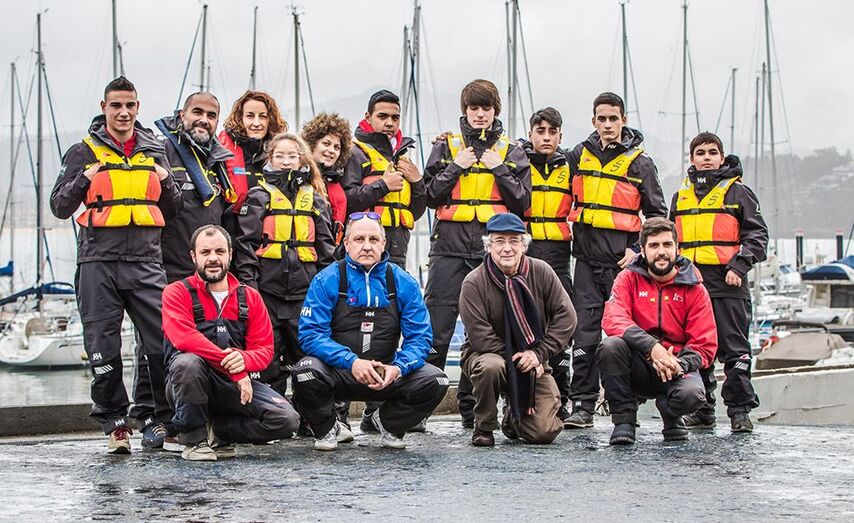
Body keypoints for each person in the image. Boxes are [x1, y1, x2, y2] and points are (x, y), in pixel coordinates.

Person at [49, 76, 182, 453]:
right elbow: (59, 207)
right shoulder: (82, 151)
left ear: (138, 108)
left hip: (146, 261)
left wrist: (166, 180)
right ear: (104, 107)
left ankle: (159, 419)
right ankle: (115, 423)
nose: (124, 113)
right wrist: (84, 179)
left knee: (161, 344)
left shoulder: (156, 151)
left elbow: (174, 208)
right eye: (116, 106)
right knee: (103, 348)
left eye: (130, 105)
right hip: (98, 261)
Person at [424, 78, 531, 428]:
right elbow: (430, 195)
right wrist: (458, 166)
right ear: (465, 111)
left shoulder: (512, 150)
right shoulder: (446, 146)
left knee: (484, 330)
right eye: (474, 108)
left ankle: (472, 408)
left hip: (491, 250)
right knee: (437, 328)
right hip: (449, 247)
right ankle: (422, 404)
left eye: (486, 108)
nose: (480, 114)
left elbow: (522, 201)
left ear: (495, 110)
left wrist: (496, 168)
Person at [292, 213, 449, 450]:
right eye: (359, 239)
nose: (367, 246)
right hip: (340, 371)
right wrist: (351, 362)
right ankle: (326, 428)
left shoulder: (403, 282)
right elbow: (311, 335)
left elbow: (420, 339)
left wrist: (398, 368)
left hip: (385, 373)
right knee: (304, 372)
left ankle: (388, 422)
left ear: (384, 243)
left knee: (436, 380)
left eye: (374, 239)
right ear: (346, 243)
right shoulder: (327, 279)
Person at [563, 92, 667, 429]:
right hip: (586, 262)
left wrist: (637, 251)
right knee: (585, 334)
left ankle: (628, 405)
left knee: (625, 334)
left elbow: (656, 216)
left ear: (623, 120)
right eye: (602, 119)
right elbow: (541, 159)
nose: (608, 125)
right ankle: (582, 404)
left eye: (613, 119)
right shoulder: (578, 155)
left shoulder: (641, 163)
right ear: (594, 121)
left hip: (623, 266)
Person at [161, 225, 300, 461]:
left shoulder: (250, 297)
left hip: (235, 389)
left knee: (287, 420)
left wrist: (244, 358)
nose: (213, 258)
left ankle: (219, 431)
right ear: (193, 256)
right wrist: (235, 370)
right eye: (205, 253)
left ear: (230, 255)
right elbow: (184, 338)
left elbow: (265, 351)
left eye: (219, 251)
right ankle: (193, 440)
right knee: (187, 363)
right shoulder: (176, 293)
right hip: (191, 384)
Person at [670, 132, 768, 432]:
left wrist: (739, 265)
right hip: (690, 284)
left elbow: (758, 237)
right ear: (692, 159)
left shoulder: (739, 193)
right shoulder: (680, 197)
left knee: (734, 349)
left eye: (713, 152)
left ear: (721, 157)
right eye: (701, 153)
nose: (707, 157)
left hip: (728, 283)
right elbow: (669, 240)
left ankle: (739, 412)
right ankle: (702, 410)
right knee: (697, 349)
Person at [459, 213, 576, 446]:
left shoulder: (541, 271)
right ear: (489, 245)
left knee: (544, 433)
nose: (507, 248)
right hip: (486, 354)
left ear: (524, 245)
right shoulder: (473, 282)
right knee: (491, 367)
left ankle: (513, 420)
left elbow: (567, 317)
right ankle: (484, 426)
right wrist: (520, 358)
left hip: (534, 356)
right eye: (499, 241)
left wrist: (538, 354)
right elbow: (480, 336)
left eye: (514, 241)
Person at [598, 217, 717, 445]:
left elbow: (705, 346)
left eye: (666, 245)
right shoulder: (627, 278)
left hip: (677, 365)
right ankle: (624, 422)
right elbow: (613, 318)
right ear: (642, 251)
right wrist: (652, 347)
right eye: (653, 246)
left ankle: (671, 415)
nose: (661, 252)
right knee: (610, 346)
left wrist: (677, 364)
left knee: (692, 395)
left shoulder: (695, 289)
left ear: (677, 249)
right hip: (639, 362)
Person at [234, 133, 336, 395]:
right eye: (280, 156)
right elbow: (246, 246)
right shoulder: (258, 196)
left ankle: (313, 416)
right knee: (268, 357)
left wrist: (325, 292)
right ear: (270, 159)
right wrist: (250, 287)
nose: (286, 161)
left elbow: (326, 250)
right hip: (267, 292)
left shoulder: (315, 198)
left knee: (307, 356)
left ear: (301, 159)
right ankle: (275, 413)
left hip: (304, 293)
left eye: (292, 156)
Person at [519, 107, 574, 424]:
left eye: (552, 132)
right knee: (523, 321)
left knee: (558, 323)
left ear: (560, 136)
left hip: (556, 251)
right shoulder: (518, 161)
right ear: (531, 134)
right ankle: (518, 397)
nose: (546, 137)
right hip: (525, 250)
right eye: (540, 131)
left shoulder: (572, 163)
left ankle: (562, 398)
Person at [155, 92, 237, 283]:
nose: (203, 120)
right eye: (197, 112)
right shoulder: (162, 151)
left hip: (210, 272)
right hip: (169, 273)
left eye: (211, 116)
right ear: (183, 115)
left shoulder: (220, 160)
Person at [342, 90, 426, 269]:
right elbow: (347, 201)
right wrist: (384, 185)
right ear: (368, 117)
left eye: (395, 118)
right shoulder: (356, 154)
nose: (390, 123)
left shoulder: (403, 159)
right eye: (382, 116)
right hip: (364, 249)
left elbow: (415, 212)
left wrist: (418, 181)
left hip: (398, 250)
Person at [218, 90, 289, 209]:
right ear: (240, 119)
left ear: (270, 119)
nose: (256, 123)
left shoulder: (282, 152)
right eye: (250, 116)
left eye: (262, 116)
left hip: (270, 222)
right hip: (231, 221)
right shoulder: (221, 151)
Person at [301, 112, 353, 247]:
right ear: (312, 144)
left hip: (331, 251)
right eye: (326, 143)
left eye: (337, 147)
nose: (331, 151)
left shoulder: (336, 181)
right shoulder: (299, 179)